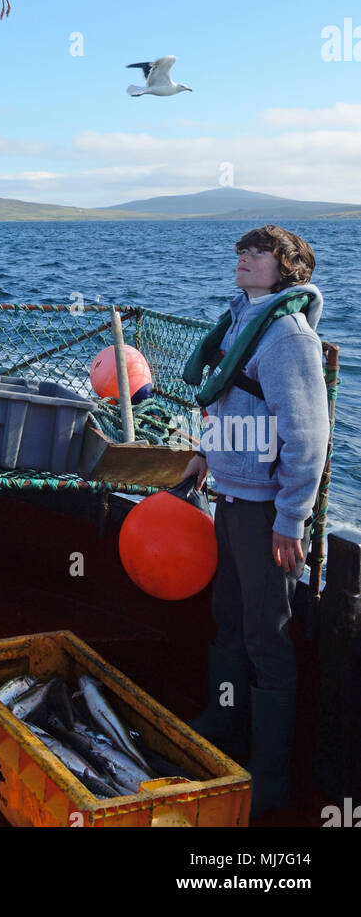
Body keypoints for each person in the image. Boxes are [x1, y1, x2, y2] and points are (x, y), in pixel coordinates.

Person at [182, 226, 329, 817]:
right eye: (241, 251)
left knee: (267, 637)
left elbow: (308, 434)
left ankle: (268, 782)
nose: (243, 259)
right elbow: (228, 397)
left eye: (258, 253)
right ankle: (226, 722)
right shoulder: (243, 316)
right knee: (229, 617)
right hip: (231, 496)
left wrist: (291, 519)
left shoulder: (289, 337)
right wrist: (203, 453)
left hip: (267, 511)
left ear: (288, 268)